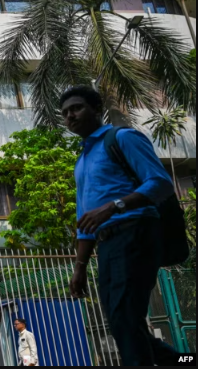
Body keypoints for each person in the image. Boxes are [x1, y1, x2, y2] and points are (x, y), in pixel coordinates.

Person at [63, 86, 180, 366]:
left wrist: (114, 206)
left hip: (135, 232)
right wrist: (80, 267)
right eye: (65, 113)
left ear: (96, 109)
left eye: (76, 108)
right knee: (121, 323)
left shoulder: (122, 138)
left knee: (125, 318)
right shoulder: (82, 160)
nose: (70, 116)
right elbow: (84, 219)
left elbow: (160, 182)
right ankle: (184, 361)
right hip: (107, 244)